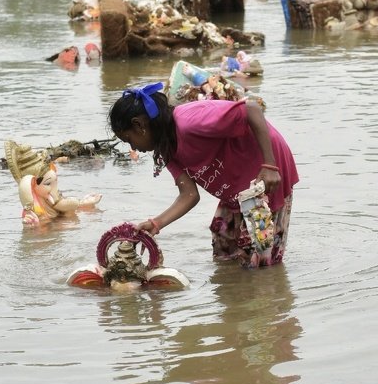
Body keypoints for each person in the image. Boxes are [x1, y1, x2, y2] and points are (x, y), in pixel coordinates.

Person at [109, 82, 298, 267]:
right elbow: (189, 195)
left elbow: (252, 109)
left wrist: (270, 166)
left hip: (266, 168)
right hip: (236, 182)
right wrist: (156, 223)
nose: (133, 147)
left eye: (128, 139)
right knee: (224, 246)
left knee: (259, 255)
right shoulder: (167, 147)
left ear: (139, 125)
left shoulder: (188, 122)